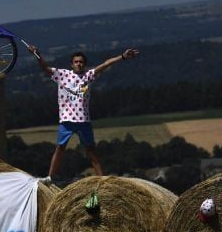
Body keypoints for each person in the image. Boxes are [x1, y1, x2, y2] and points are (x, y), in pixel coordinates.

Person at [28, 44, 139, 184]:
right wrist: (36, 54)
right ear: (71, 64)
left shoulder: (88, 76)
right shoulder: (62, 75)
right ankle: (50, 178)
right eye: (76, 62)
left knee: (91, 151)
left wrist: (122, 57)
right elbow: (45, 68)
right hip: (66, 121)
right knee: (60, 149)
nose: (78, 64)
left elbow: (105, 64)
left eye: (81, 62)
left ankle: (102, 180)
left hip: (83, 121)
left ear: (84, 64)